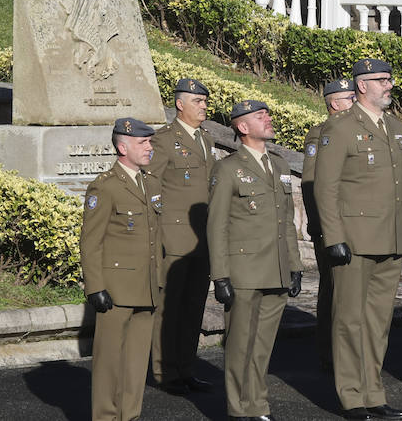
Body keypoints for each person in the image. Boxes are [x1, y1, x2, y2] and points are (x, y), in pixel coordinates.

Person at [313, 59, 402, 421]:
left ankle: (374, 392)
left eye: (389, 78)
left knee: (378, 322)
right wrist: (333, 237)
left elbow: (401, 189)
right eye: (381, 80)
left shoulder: (394, 127)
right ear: (362, 86)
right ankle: (352, 396)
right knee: (349, 320)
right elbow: (327, 187)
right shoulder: (340, 127)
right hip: (354, 241)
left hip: (390, 239)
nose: (389, 84)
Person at [209, 100, 303, 421]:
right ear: (243, 127)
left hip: (276, 269)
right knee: (239, 345)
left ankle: (257, 405)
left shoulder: (279, 166)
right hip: (244, 271)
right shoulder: (227, 169)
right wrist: (220, 276)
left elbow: (286, 222)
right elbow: (217, 225)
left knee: (263, 346)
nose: (268, 119)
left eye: (268, 115)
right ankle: (238, 409)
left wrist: (295, 266)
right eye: (260, 117)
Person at [81, 117, 162, 421]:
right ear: (121, 146)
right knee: (109, 363)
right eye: (143, 143)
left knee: (136, 363)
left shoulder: (151, 182)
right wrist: (95, 287)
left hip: (147, 286)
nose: (149, 148)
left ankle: (130, 416)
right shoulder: (105, 187)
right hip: (116, 288)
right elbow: (91, 242)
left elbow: (158, 236)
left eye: (149, 142)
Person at [148, 78, 214, 395]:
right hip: (175, 237)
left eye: (204, 101)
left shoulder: (206, 140)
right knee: (169, 306)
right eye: (198, 101)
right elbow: (151, 188)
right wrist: (164, 228)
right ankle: (163, 371)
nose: (204, 106)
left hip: (203, 237)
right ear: (180, 104)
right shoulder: (163, 140)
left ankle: (186, 368)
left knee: (193, 306)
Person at [302, 78, 358, 371]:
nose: (355, 101)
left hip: (354, 227)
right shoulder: (321, 133)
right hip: (331, 227)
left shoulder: (357, 131)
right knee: (333, 291)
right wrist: (319, 227)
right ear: (334, 103)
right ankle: (328, 351)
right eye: (349, 97)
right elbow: (311, 182)